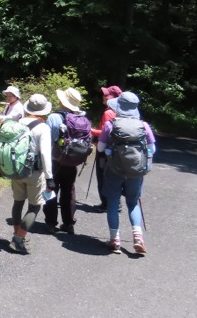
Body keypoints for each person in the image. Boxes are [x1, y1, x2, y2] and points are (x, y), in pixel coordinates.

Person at [97, 91, 156, 254]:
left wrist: (110, 149)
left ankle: (114, 239)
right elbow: (152, 149)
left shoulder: (111, 124)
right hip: (136, 171)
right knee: (132, 202)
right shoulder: (143, 125)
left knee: (113, 204)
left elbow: (100, 148)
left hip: (114, 170)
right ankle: (138, 237)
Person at [9, 94, 54, 254]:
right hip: (34, 172)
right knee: (35, 206)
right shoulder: (43, 128)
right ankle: (18, 239)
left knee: (18, 202)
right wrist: (49, 178)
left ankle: (17, 233)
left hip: (16, 169)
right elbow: (45, 155)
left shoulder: (18, 122)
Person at [44, 87, 86, 234]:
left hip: (55, 160)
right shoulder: (82, 118)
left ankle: (50, 223)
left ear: (62, 101)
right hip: (72, 161)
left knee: (51, 189)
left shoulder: (53, 117)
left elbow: (48, 141)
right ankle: (68, 224)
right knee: (69, 191)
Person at [90, 85, 122, 211]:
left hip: (104, 149)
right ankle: (116, 202)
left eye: (106, 95)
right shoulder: (122, 111)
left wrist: (90, 130)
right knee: (114, 176)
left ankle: (106, 204)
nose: (103, 96)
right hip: (116, 149)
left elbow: (104, 132)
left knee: (102, 175)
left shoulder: (108, 112)